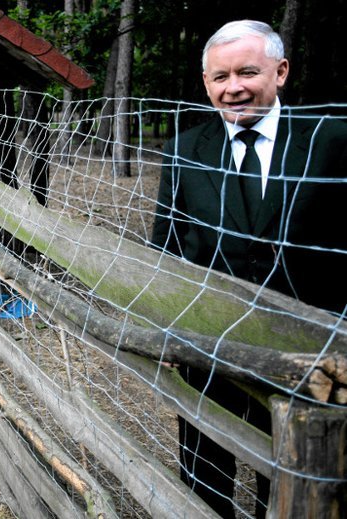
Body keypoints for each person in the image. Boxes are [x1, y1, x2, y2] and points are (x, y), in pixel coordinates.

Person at [151, 19, 347, 518]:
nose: (233, 88)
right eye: (220, 77)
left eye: (247, 72)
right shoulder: (185, 149)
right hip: (206, 340)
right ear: (206, 84)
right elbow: (167, 247)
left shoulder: (331, 140)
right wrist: (165, 324)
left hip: (308, 349)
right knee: (204, 465)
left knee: (288, 471)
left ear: (280, 72)